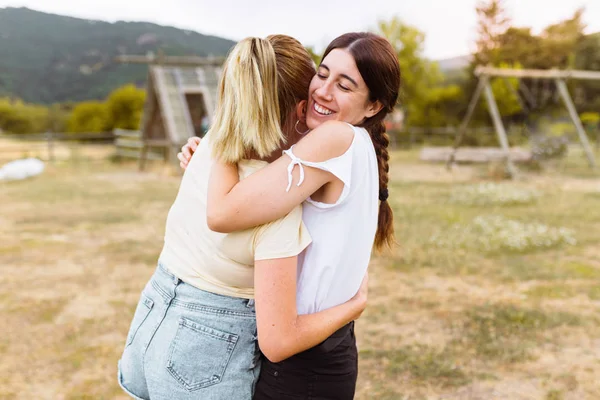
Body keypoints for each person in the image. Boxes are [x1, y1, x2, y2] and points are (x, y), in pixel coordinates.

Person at [118, 35, 368, 400]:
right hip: (200, 363)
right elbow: (280, 341)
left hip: (148, 329)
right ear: (300, 111)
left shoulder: (209, 154)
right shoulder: (274, 212)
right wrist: (352, 306)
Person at [179, 32, 401, 400]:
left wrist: (224, 133)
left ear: (373, 106)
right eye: (323, 73)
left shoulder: (335, 139)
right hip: (326, 351)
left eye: (344, 85)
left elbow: (222, 212)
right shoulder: (357, 146)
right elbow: (262, 186)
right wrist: (208, 158)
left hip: (302, 365)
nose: (322, 91)